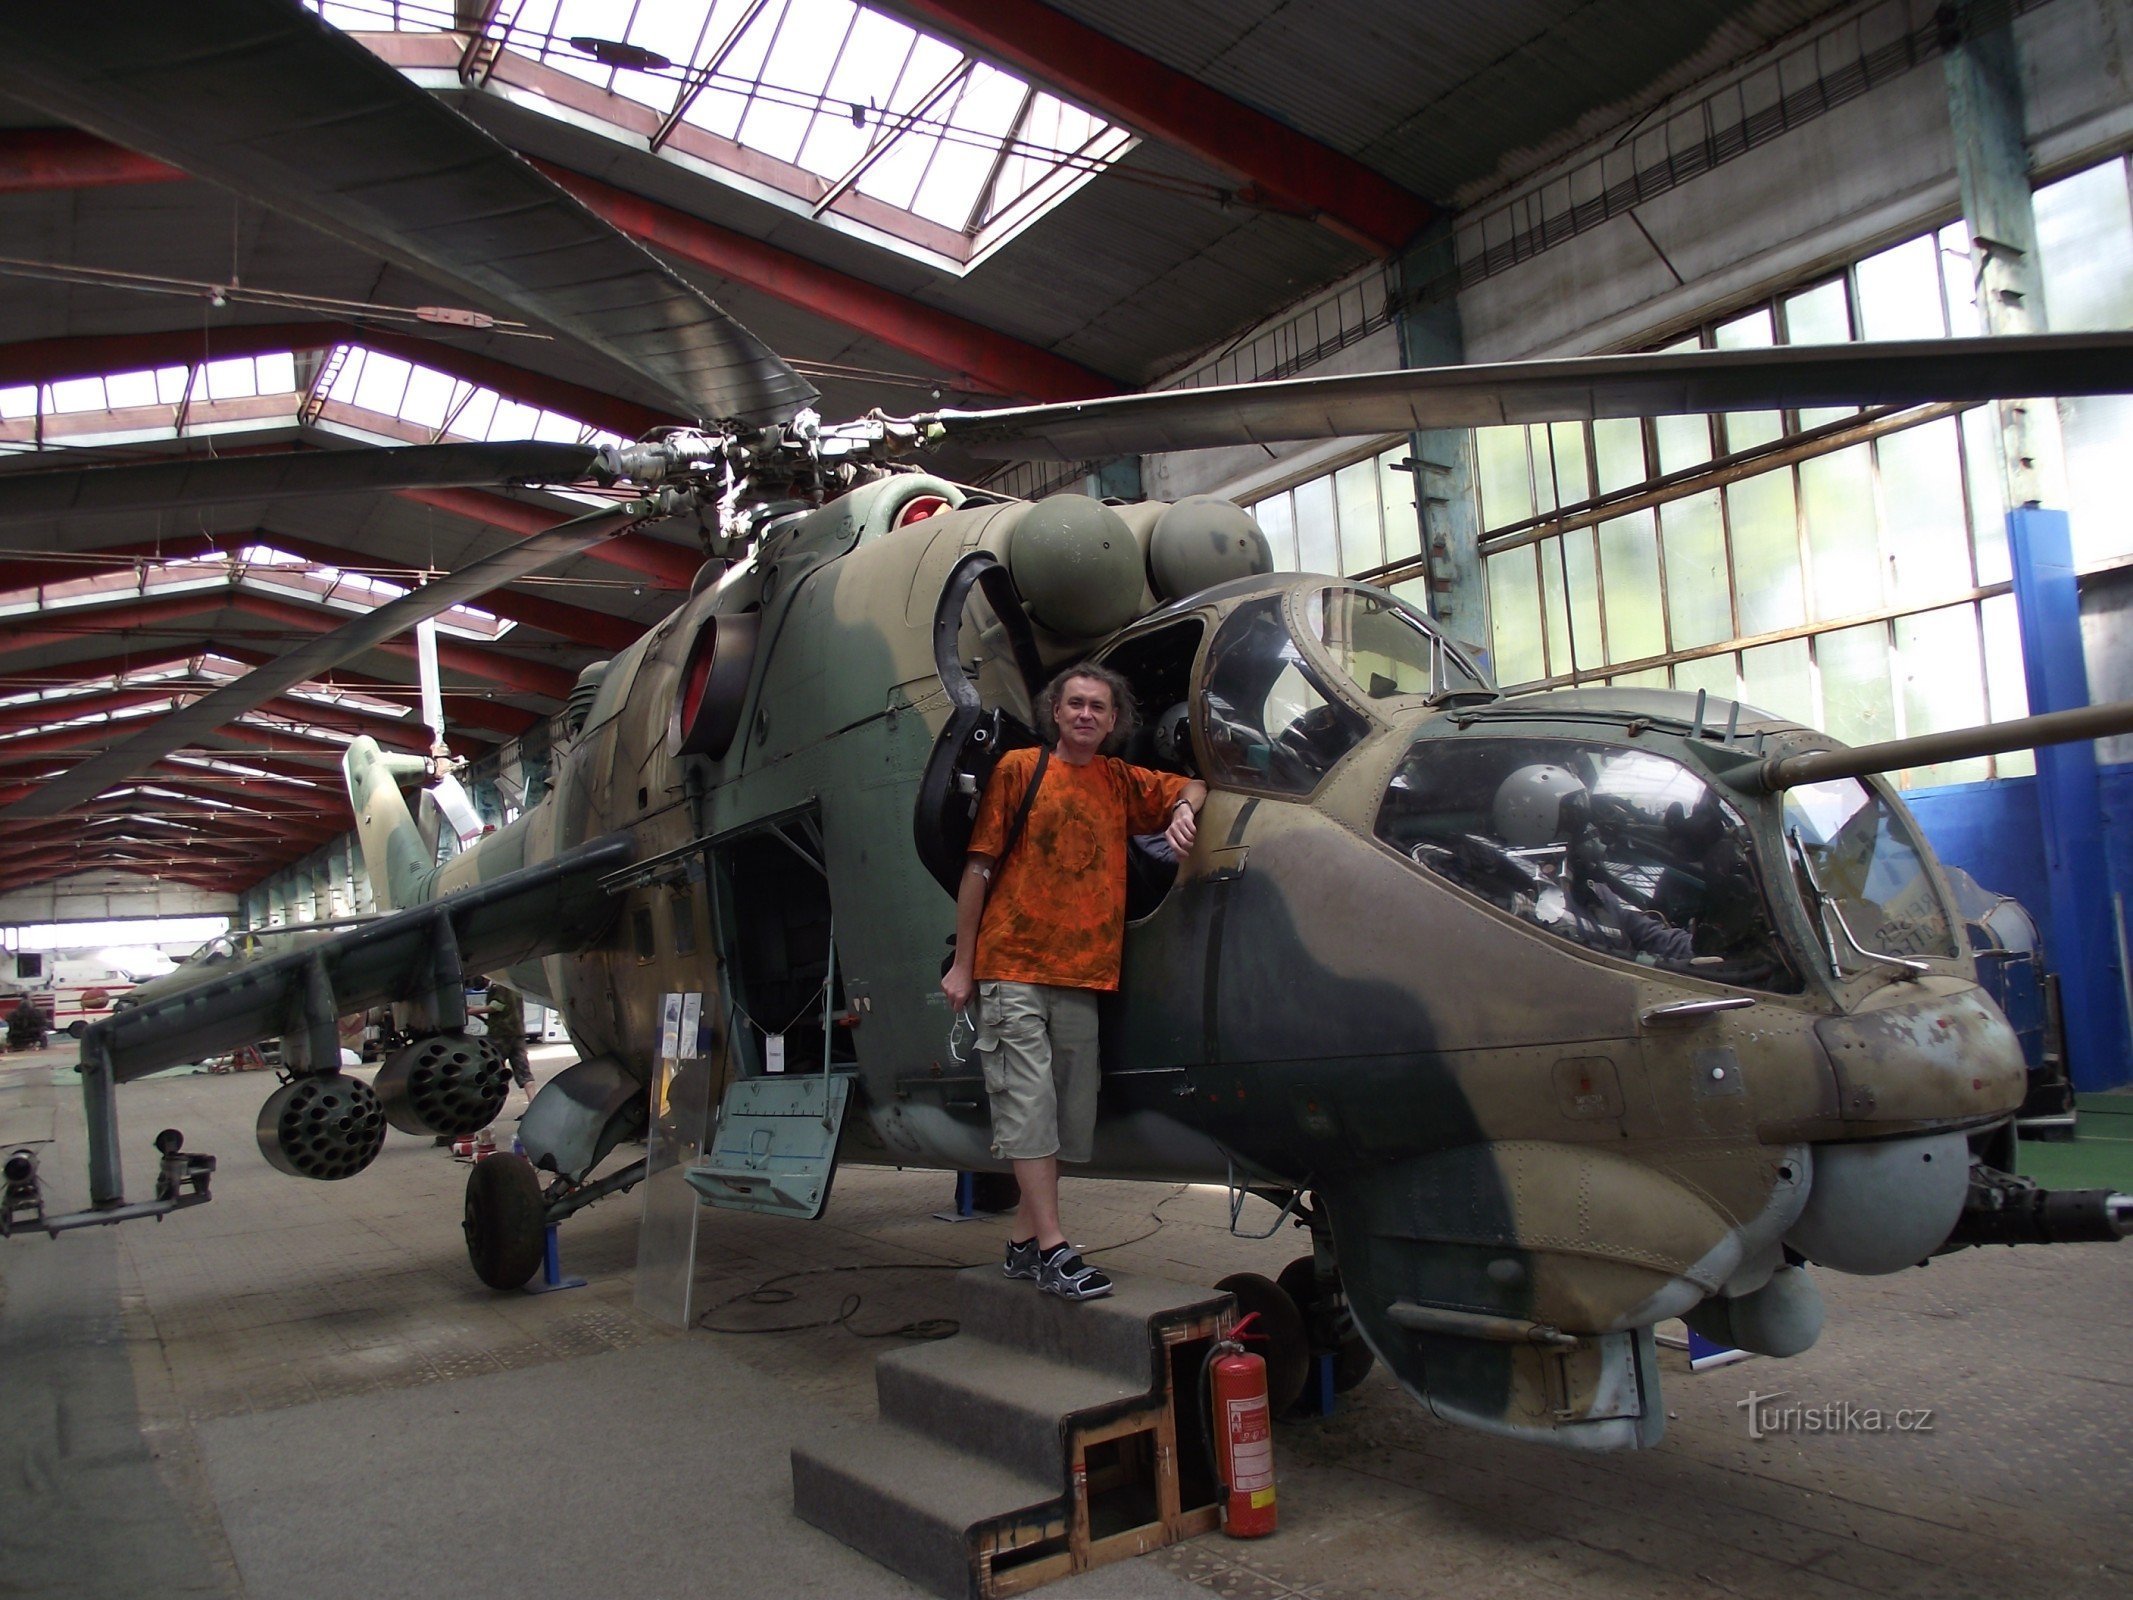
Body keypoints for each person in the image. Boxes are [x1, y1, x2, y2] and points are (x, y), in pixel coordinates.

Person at [941, 664, 1205, 1301]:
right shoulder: (1018, 770)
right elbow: (977, 868)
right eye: (1076, 704)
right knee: (1028, 1106)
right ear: (1054, 713)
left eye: (1099, 707)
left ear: (1115, 722)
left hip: (1082, 972)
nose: (1087, 714)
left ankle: (1025, 1244)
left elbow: (1192, 783)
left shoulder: (1119, 781)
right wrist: (964, 963)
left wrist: (1181, 815)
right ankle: (1056, 1249)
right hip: (1014, 966)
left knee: (1061, 1116)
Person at [1488, 763, 1695, 963]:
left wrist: (1700, 947)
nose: (1590, 830)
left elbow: (1653, 936)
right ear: (1538, 824)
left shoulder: (1596, 892)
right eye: (1578, 821)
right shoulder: (1517, 901)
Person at [484, 982, 536, 1112]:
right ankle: (533, 1106)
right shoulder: (514, 985)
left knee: (494, 1071)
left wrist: (472, 1010)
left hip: (500, 1035)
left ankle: (489, 1108)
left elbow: (497, 1006)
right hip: (517, 1033)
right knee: (524, 1072)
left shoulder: (498, 985)